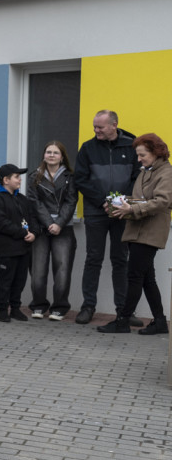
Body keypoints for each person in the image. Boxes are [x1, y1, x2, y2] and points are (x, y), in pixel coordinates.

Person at [97, 133, 172, 335]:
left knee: (134, 275)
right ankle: (160, 322)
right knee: (147, 278)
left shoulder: (166, 172)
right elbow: (140, 199)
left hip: (150, 232)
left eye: (142, 155)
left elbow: (162, 201)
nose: (139, 159)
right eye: (138, 155)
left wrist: (131, 210)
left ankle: (122, 320)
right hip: (138, 230)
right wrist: (116, 204)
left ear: (156, 152)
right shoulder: (146, 171)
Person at [73, 110, 140, 325]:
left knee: (121, 260)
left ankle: (124, 310)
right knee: (93, 259)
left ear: (114, 125)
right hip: (96, 212)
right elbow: (81, 179)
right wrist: (103, 201)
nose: (96, 130)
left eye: (100, 127)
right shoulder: (88, 148)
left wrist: (123, 202)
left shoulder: (131, 145)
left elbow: (138, 177)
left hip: (123, 212)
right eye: (95, 126)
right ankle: (88, 306)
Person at [25, 142, 78, 321]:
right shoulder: (35, 176)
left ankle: (60, 307)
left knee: (62, 269)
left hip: (64, 228)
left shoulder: (70, 177)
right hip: (41, 228)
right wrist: (49, 223)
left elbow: (71, 202)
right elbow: (35, 203)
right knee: (38, 269)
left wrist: (59, 224)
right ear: (44, 155)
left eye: (56, 153)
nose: (52, 155)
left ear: (62, 157)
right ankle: (38, 305)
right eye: (48, 152)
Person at [0, 165, 39, 322]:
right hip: (6, 249)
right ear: (6, 180)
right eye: (16, 177)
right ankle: (3, 309)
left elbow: (32, 217)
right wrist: (23, 233)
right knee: (6, 279)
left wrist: (34, 233)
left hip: (23, 248)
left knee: (20, 279)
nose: (20, 180)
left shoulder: (22, 199)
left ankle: (15, 308)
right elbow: (0, 223)